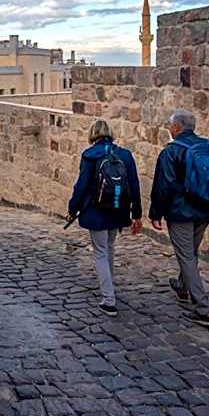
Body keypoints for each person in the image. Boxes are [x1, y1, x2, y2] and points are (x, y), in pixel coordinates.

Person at [150, 109, 209, 329]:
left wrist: (155, 213)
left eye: (170, 125)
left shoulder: (171, 152)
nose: (169, 129)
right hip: (205, 211)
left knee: (186, 256)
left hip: (181, 213)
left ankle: (203, 309)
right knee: (190, 253)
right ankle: (182, 287)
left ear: (176, 128)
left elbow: (163, 186)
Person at [67, 119, 142, 316]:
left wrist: (72, 208)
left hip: (96, 210)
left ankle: (109, 299)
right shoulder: (125, 155)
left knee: (100, 251)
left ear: (93, 134)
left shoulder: (90, 155)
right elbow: (134, 185)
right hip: (118, 209)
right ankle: (109, 286)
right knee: (109, 247)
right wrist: (137, 214)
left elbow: (81, 185)